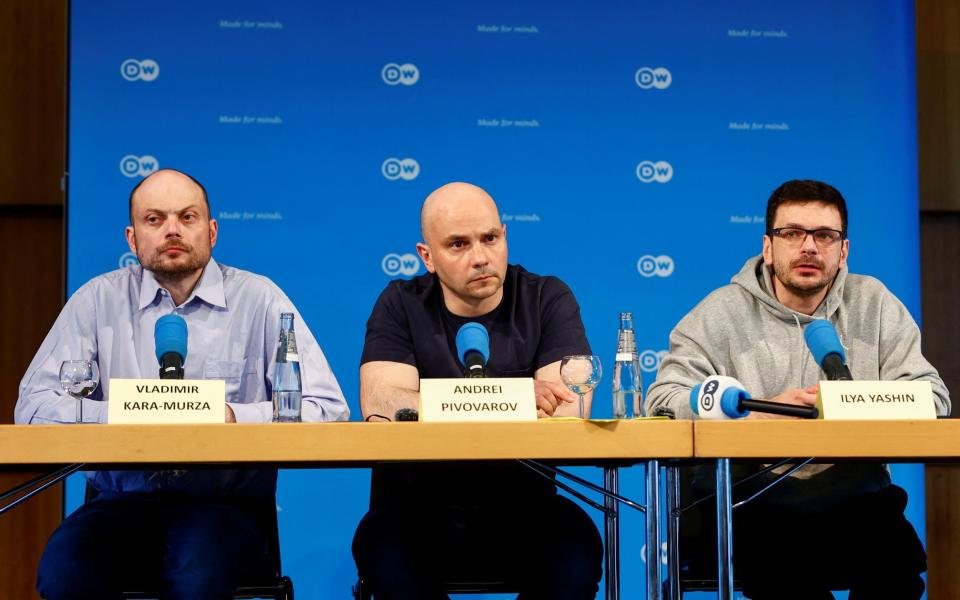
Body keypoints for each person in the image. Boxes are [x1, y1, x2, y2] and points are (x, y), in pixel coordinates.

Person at [16, 169, 348, 599]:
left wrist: (232, 418)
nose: (172, 229)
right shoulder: (96, 301)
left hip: (224, 507)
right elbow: (33, 407)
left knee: (196, 577)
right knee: (64, 575)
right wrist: (124, 412)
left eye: (187, 217)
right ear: (132, 239)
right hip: (119, 503)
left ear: (211, 232)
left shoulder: (260, 299)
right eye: (154, 220)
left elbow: (326, 408)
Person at [646, 179, 950, 599]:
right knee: (787, 574)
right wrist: (756, 412)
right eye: (792, 234)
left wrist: (853, 405)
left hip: (853, 501)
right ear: (768, 247)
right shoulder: (720, 312)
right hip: (752, 502)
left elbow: (932, 397)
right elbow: (662, 400)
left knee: (897, 570)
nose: (809, 247)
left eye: (824, 236)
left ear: (843, 251)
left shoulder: (874, 304)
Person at [352, 182, 603, 599]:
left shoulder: (546, 298)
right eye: (457, 245)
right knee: (381, 548)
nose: (480, 257)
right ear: (427, 257)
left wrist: (430, 404)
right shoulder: (400, 303)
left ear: (505, 235)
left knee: (576, 555)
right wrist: (519, 398)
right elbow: (382, 405)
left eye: (490, 238)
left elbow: (567, 407)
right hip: (415, 512)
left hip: (525, 510)